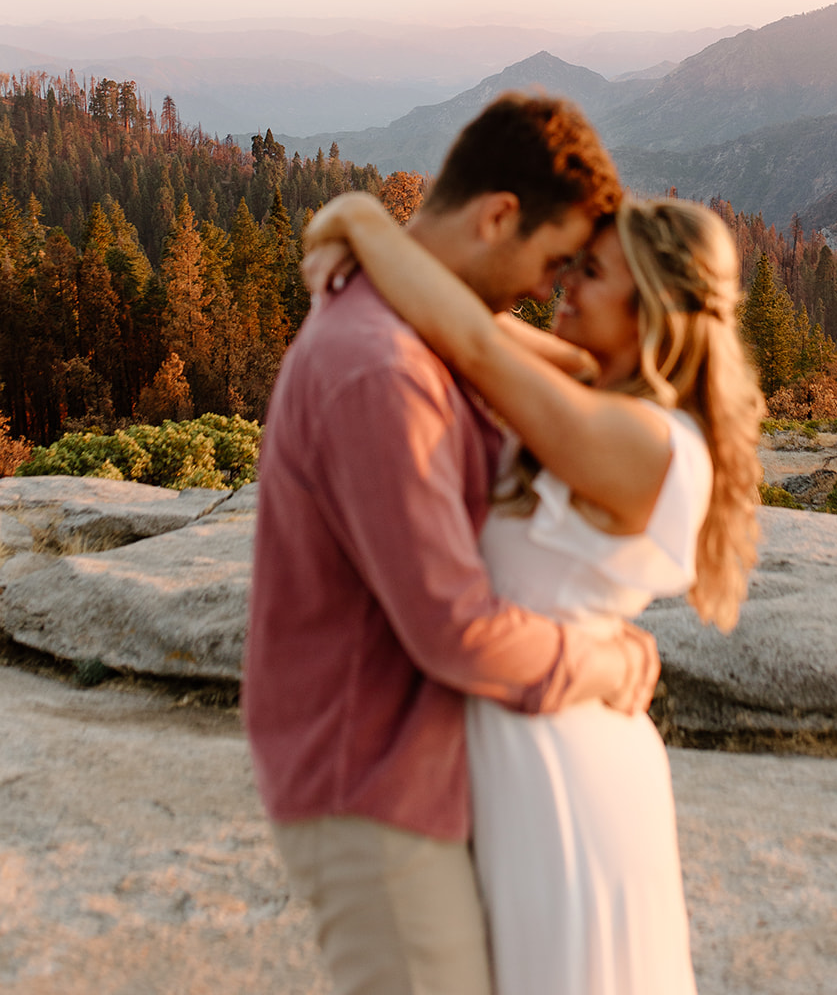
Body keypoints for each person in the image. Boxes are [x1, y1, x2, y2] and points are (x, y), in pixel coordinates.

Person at [242, 93, 661, 995]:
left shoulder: (415, 332)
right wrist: (608, 664)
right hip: (372, 789)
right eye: (553, 262)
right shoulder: (380, 372)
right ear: (498, 215)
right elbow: (453, 628)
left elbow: (563, 366)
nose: (550, 292)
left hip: (415, 771)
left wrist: (357, 219)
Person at [302, 183, 765, 995]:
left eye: (591, 272)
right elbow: (480, 330)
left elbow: (476, 347)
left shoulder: (645, 439)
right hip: (520, 734)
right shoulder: (602, 391)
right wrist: (377, 254)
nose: (566, 284)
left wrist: (361, 221)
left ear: (652, 303)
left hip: (561, 771)